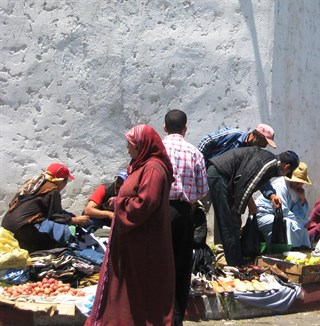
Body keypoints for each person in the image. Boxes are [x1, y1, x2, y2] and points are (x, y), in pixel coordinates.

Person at [86, 124, 175, 325]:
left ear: (142, 145)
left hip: (144, 242)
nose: (128, 149)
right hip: (135, 240)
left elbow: (145, 203)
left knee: (142, 287)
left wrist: (118, 203)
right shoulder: (143, 166)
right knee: (131, 287)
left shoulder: (153, 169)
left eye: (131, 144)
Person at [207, 147, 299, 267]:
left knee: (231, 222)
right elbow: (246, 185)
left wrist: (271, 195)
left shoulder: (268, 162)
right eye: (288, 172)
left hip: (222, 175)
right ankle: (234, 263)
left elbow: (261, 180)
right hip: (219, 174)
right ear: (286, 167)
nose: (285, 174)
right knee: (228, 222)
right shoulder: (268, 164)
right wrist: (239, 210)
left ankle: (234, 261)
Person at [162, 110, 209, 325]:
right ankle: (176, 318)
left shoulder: (157, 151)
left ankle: (157, 315)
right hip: (183, 213)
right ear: (185, 128)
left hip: (159, 213)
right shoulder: (194, 152)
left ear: (164, 127)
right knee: (181, 266)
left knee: (159, 263)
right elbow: (201, 191)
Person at [197, 123, 277, 245]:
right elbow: (206, 141)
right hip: (208, 178)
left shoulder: (255, 153)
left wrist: (271, 194)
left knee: (225, 220)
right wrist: (198, 170)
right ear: (255, 135)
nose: (265, 145)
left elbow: (259, 175)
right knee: (203, 215)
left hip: (228, 187)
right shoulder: (232, 135)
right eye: (264, 141)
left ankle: (221, 251)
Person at [1, 163, 90, 253]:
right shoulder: (52, 190)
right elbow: (56, 216)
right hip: (23, 229)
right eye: (66, 180)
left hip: (7, 225)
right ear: (60, 180)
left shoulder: (32, 184)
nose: (65, 184)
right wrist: (76, 220)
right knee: (64, 230)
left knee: (64, 217)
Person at [255, 162, 312, 248]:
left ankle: (302, 249)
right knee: (287, 223)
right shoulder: (281, 186)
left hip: (279, 216)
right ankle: (288, 251)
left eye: (301, 182)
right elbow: (283, 211)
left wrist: (302, 200)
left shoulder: (297, 190)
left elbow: (299, 214)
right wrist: (302, 221)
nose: (299, 185)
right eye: (297, 182)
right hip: (263, 216)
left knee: (302, 226)